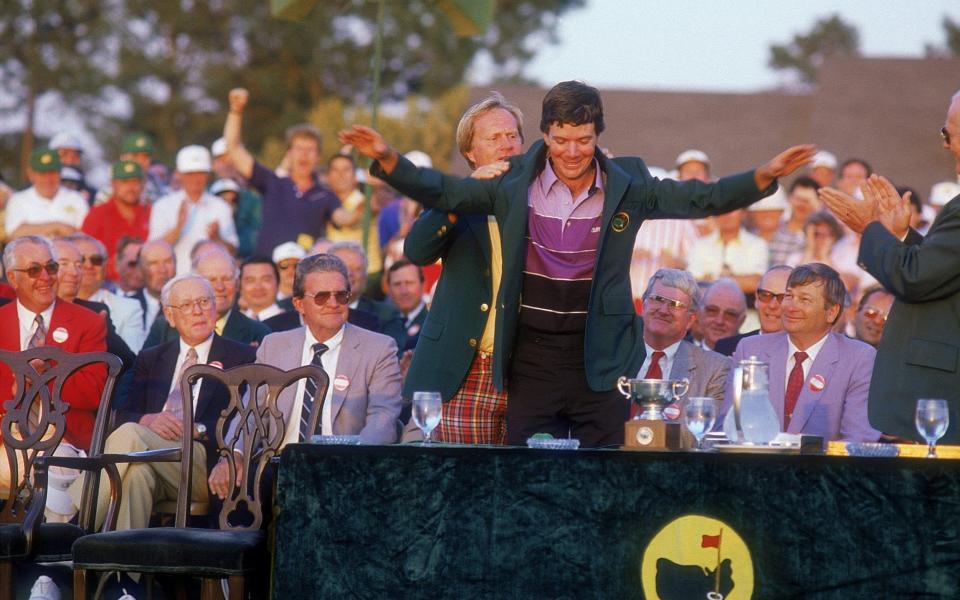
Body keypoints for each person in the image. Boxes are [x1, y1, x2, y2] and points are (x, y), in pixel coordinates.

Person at [341, 80, 813, 446]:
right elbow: (441, 191)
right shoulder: (508, 185)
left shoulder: (628, 185)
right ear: (546, 137)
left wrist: (763, 177)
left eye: (583, 140)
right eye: (561, 139)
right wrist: (387, 157)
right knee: (524, 484)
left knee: (599, 484)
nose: (572, 152)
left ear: (598, 136)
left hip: (600, 361)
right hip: (528, 362)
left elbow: (700, 198)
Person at [817, 90, 960, 442]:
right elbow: (942, 271)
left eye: (947, 133)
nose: (944, 144)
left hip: (936, 394)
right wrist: (900, 237)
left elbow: (915, 278)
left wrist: (870, 228)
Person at [67, 274, 257, 531]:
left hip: (206, 461)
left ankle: (72, 520)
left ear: (215, 307)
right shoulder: (152, 357)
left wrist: (198, 428)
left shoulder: (242, 355)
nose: (198, 311)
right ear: (170, 315)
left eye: (204, 301)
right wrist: (146, 420)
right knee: (136, 476)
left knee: (132, 435)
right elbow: (122, 413)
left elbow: (248, 418)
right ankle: (120, 570)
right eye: (187, 305)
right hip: (154, 458)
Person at [208, 254, 403, 498]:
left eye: (341, 295)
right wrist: (233, 455)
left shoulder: (379, 348)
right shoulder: (275, 345)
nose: (333, 303)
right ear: (299, 304)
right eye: (321, 297)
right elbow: (250, 412)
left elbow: (383, 420)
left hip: (343, 464)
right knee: (233, 486)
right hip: (277, 463)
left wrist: (355, 462)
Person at [402, 92, 524, 444]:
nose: (506, 144)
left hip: (527, 375)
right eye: (493, 138)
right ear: (470, 153)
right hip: (464, 372)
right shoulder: (456, 199)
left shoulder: (544, 201)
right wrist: (466, 191)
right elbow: (417, 250)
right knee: (463, 488)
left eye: (512, 135)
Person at [722, 263, 880, 442]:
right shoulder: (751, 350)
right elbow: (729, 428)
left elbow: (857, 440)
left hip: (823, 468)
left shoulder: (858, 359)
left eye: (804, 300)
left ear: (832, 311)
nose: (790, 307)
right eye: (789, 296)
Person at [0, 236, 107, 456]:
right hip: (5, 439)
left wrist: (43, 379)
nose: (45, 277)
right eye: (34, 270)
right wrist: (16, 390)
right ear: (12, 278)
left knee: (50, 466)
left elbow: (95, 391)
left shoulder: (88, 322)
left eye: (51, 267)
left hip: (65, 440)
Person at [223, 88, 356, 256]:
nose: (304, 155)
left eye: (310, 150)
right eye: (299, 148)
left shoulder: (325, 194)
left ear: (318, 156)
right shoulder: (272, 182)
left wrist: (363, 206)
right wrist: (236, 110)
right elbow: (233, 148)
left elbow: (343, 218)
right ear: (289, 153)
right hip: (268, 273)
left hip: (302, 274)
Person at [636, 269, 731, 415]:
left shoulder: (714, 369)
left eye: (675, 304)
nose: (663, 310)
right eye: (657, 299)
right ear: (643, 306)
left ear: (690, 320)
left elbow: (707, 432)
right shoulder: (611, 354)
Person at [144, 248, 269, 348]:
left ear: (237, 284)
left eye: (226, 279)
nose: (220, 287)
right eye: (211, 280)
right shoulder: (164, 327)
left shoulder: (258, 333)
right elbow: (140, 372)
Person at [149, 145, 239, 274]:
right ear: (179, 174)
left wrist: (217, 238)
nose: (195, 179)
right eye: (190, 174)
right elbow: (154, 252)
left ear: (208, 175)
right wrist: (178, 228)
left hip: (211, 284)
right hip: (176, 282)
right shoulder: (163, 206)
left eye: (200, 173)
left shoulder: (221, 206)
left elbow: (233, 251)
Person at [69, 233, 147, 353]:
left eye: (96, 260)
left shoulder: (128, 308)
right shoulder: (49, 303)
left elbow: (134, 362)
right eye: (81, 260)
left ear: (105, 265)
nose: (89, 265)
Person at [81, 160, 151, 283]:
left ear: (143, 184)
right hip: (107, 284)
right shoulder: (98, 214)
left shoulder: (150, 212)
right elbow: (84, 252)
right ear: (113, 184)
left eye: (135, 182)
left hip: (145, 283)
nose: (131, 188)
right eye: (125, 182)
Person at [5, 149, 88, 240]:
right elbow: (14, 234)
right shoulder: (18, 200)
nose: (48, 179)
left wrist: (31, 229)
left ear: (60, 173)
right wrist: (57, 226)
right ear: (31, 174)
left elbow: (84, 235)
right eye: (42, 174)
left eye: (52, 173)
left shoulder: (77, 199)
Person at [714, 265, 792, 356]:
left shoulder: (801, 353)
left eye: (782, 298)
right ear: (756, 298)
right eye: (765, 295)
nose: (772, 305)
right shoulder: (727, 348)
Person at [687, 208, 768, 295]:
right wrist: (738, 280)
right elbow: (692, 283)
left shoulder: (757, 244)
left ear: (743, 213)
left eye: (733, 209)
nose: (727, 215)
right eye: (722, 210)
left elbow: (755, 283)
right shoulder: (701, 245)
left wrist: (711, 279)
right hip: (707, 305)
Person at [768, 176, 820, 266]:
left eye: (807, 201)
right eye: (798, 199)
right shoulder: (774, 230)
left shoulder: (820, 236)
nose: (802, 205)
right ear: (789, 198)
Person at [129, 239, 176, 333]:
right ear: (140, 269)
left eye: (167, 262)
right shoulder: (127, 306)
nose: (162, 270)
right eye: (153, 263)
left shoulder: (187, 308)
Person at [385, 259, 427, 352]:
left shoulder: (432, 323)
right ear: (389, 289)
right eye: (397, 284)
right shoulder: (384, 324)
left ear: (423, 285)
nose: (404, 291)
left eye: (409, 283)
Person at [697, 279, 747, 351]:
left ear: (742, 321)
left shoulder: (751, 360)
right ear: (700, 313)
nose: (719, 321)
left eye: (730, 315)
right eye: (712, 311)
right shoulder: (680, 358)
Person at [239, 256, 283, 321]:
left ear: (278, 283)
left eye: (266, 280)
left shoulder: (293, 324)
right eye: (250, 280)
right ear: (239, 286)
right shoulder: (232, 325)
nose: (258, 287)